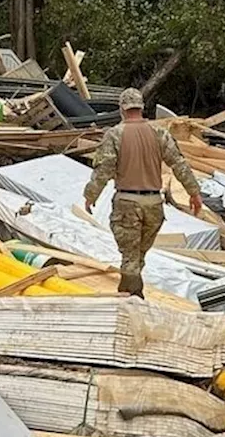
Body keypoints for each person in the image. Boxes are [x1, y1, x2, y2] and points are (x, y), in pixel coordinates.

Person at [84, 88, 203, 298]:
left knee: (130, 258)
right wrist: (194, 192)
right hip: (154, 205)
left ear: (122, 108)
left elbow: (104, 169)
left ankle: (132, 300)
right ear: (141, 107)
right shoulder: (159, 134)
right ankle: (132, 295)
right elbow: (179, 164)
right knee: (137, 257)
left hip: (127, 204)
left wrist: (90, 195)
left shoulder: (115, 135)